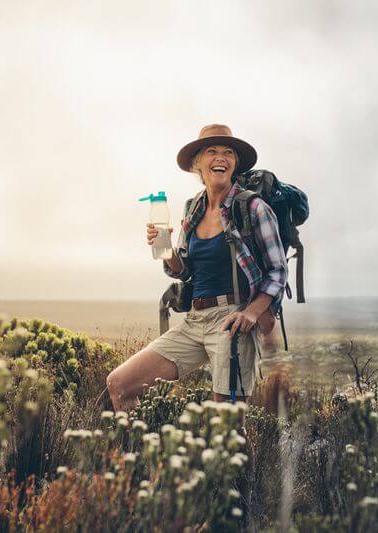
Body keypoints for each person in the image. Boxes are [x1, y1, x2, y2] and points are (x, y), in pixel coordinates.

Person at [106, 124, 288, 411]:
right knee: (120, 384)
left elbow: (278, 271)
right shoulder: (193, 209)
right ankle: (143, 455)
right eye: (212, 151)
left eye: (228, 152)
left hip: (233, 321)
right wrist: (165, 249)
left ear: (235, 163)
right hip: (194, 319)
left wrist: (252, 313)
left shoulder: (253, 208)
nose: (221, 157)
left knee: (226, 427)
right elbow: (183, 270)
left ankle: (232, 457)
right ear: (197, 164)